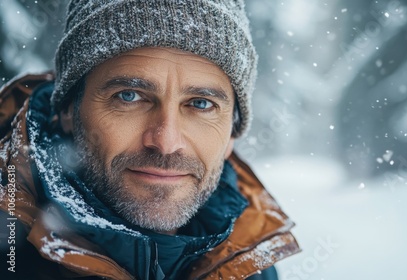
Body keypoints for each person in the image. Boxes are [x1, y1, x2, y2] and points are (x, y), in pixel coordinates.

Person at [0, 1, 300, 279]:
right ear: (68, 109)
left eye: (201, 104)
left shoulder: (247, 264)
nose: (166, 142)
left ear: (231, 134)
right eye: (128, 97)